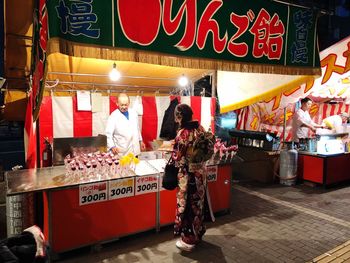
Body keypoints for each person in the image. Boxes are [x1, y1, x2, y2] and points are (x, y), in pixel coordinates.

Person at [170, 103, 209, 252]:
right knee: (198, 205)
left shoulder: (183, 134)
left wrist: (173, 153)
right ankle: (198, 233)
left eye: (177, 116)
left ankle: (188, 240)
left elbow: (178, 157)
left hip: (188, 176)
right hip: (200, 175)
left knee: (187, 207)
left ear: (180, 117)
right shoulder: (201, 129)